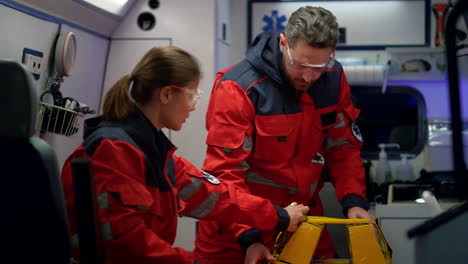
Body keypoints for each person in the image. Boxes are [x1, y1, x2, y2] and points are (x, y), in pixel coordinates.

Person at [61, 46, 309, 264]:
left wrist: (278, 216)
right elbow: (126, 242)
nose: (193, 106)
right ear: (167, 94)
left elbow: (214, 196)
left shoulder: (154, 152)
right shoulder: (115, 150)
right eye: (192, 95)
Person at [193, 6, 376, 264]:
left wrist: (354, 202)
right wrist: (250, 237)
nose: (310, 76)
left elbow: (343, 147)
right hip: (237, 231)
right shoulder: (239, 87)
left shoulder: (333, 80)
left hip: (301, 222)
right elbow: (225, 173)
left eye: (319, 66)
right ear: (283, 44)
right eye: (300, 64)